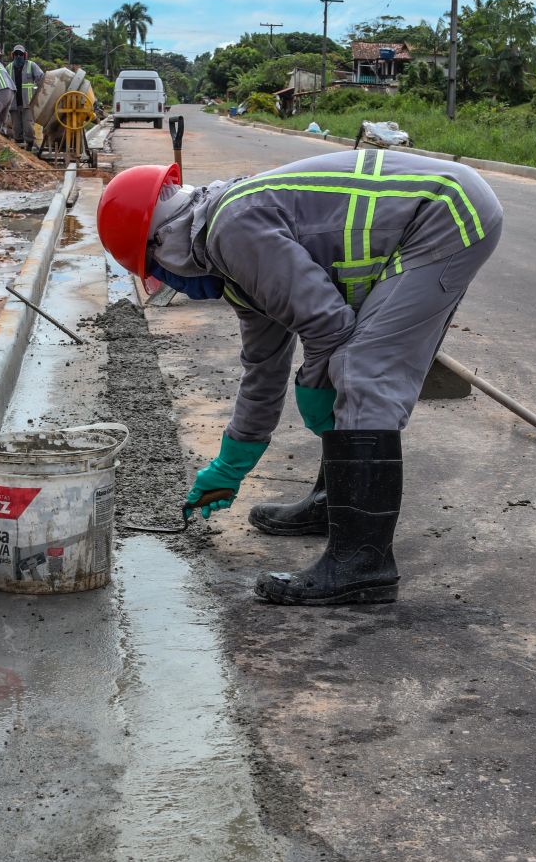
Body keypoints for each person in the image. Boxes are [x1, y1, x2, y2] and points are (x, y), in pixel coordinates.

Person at [97, 149, 503, 607]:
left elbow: (329, 327)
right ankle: (333, 503)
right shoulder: (231, 258)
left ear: (164, 242)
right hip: (437, 213)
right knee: (346, 367)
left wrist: (313, 386)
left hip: (445, 213)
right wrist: (230, 466)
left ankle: (361, 564)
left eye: (158, 271)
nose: (172, 283)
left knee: (363, 369)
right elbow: (263, 368)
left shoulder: (232, 230)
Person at [6, 44, 44, 151]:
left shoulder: (31, 65)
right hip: (13, 103)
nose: (18, 56)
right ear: (13, 55)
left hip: (28, 103)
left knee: (28, 128)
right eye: (16, 54)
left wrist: (38, 95)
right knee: (16, 128)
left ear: (25, 55)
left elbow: (42, 78)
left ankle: (30, 147)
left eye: (21, 54)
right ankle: (19, 150)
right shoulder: (8, 68)